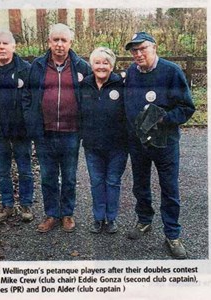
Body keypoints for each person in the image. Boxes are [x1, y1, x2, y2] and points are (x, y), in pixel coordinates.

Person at [124, 32, 195, 259]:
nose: (138, 54)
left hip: (165, 142)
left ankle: (172, 234)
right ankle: (144, 220)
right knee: (140, 185)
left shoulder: (171, 71)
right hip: (139, 142)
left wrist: (163, 118)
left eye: (142, 48)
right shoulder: (132, 73)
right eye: (134, 50)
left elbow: (187, 108)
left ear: (154, 47)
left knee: (169, 188)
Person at [22, 23, 91, 233]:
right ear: (49, 42)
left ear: (70, 43)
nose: (59, 44)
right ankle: (51, 214)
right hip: (44, 133)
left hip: (71, 133)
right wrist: (30, 119)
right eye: (55, 40)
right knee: (48, 176)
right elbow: (27, 95)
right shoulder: (38, 66)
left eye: (64, 40)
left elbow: (89, 97)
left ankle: (67, 213)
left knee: (69, 176)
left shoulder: (81, 67)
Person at [80, 47, 127, 234]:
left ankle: (112, 218)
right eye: (97, 62)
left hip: (118, 146)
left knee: (113, 182)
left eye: (105, 63)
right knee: (97, 182)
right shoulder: (84, 85)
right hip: (92, 146)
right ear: (91, 65)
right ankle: (98, 218)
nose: (101, 66)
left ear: (112, 66)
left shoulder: (122, 84)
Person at [0, 29, 34, 222]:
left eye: (5, 43)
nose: (1, 47)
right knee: (1, 170)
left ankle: (26, 204)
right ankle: (7, 205)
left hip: (21, 130)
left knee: (25, 169)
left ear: (13, 46)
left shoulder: (25, 70)